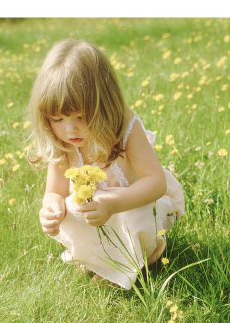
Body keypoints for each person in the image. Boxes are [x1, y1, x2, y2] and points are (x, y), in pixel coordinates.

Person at [28, 39, 185, 289]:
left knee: (138, 215)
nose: (70, 129)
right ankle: (95, 259)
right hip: (97, 214)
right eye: (57, 119)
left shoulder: (126, 131)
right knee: (71, 209)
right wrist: (51, 209)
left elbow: (156, 183)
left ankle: (140, 261)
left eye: (80, 116)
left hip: (137, 204)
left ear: (104, 105)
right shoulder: (65, 143)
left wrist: (114, 203)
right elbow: (54, 192)